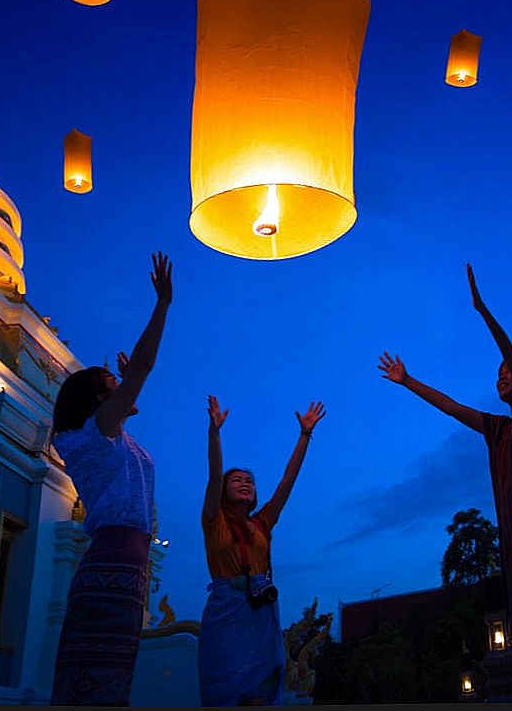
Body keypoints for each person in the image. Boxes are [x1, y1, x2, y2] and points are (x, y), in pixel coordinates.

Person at [377, 263, 512, 702]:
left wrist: (482, 311)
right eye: (498, 373)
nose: (501, 376)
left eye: (509, 371)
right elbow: (451, 406)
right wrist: (408, 380)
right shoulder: (498, 430)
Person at [49, 251, 172, 706]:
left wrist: (122, 387)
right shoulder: (92, 437)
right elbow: (141, 368)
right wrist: (162, 306)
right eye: (112, 383)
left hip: (130, 560)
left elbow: (132, 383)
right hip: (113, 557)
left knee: (114, 673)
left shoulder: (113, 438)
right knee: (95, 676)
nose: (122, 385)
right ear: (100, 397)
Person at [197, 394, 326, 706]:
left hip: (261, 612)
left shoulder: (262, 523)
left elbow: (287, 481)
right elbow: (215, 476)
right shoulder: (214, 521)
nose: (245, 483)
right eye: (237, 480)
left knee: (262, 692)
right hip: (228, 610)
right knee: (226, 688)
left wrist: (305, 434)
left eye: (250, 481)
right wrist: (214, 433)